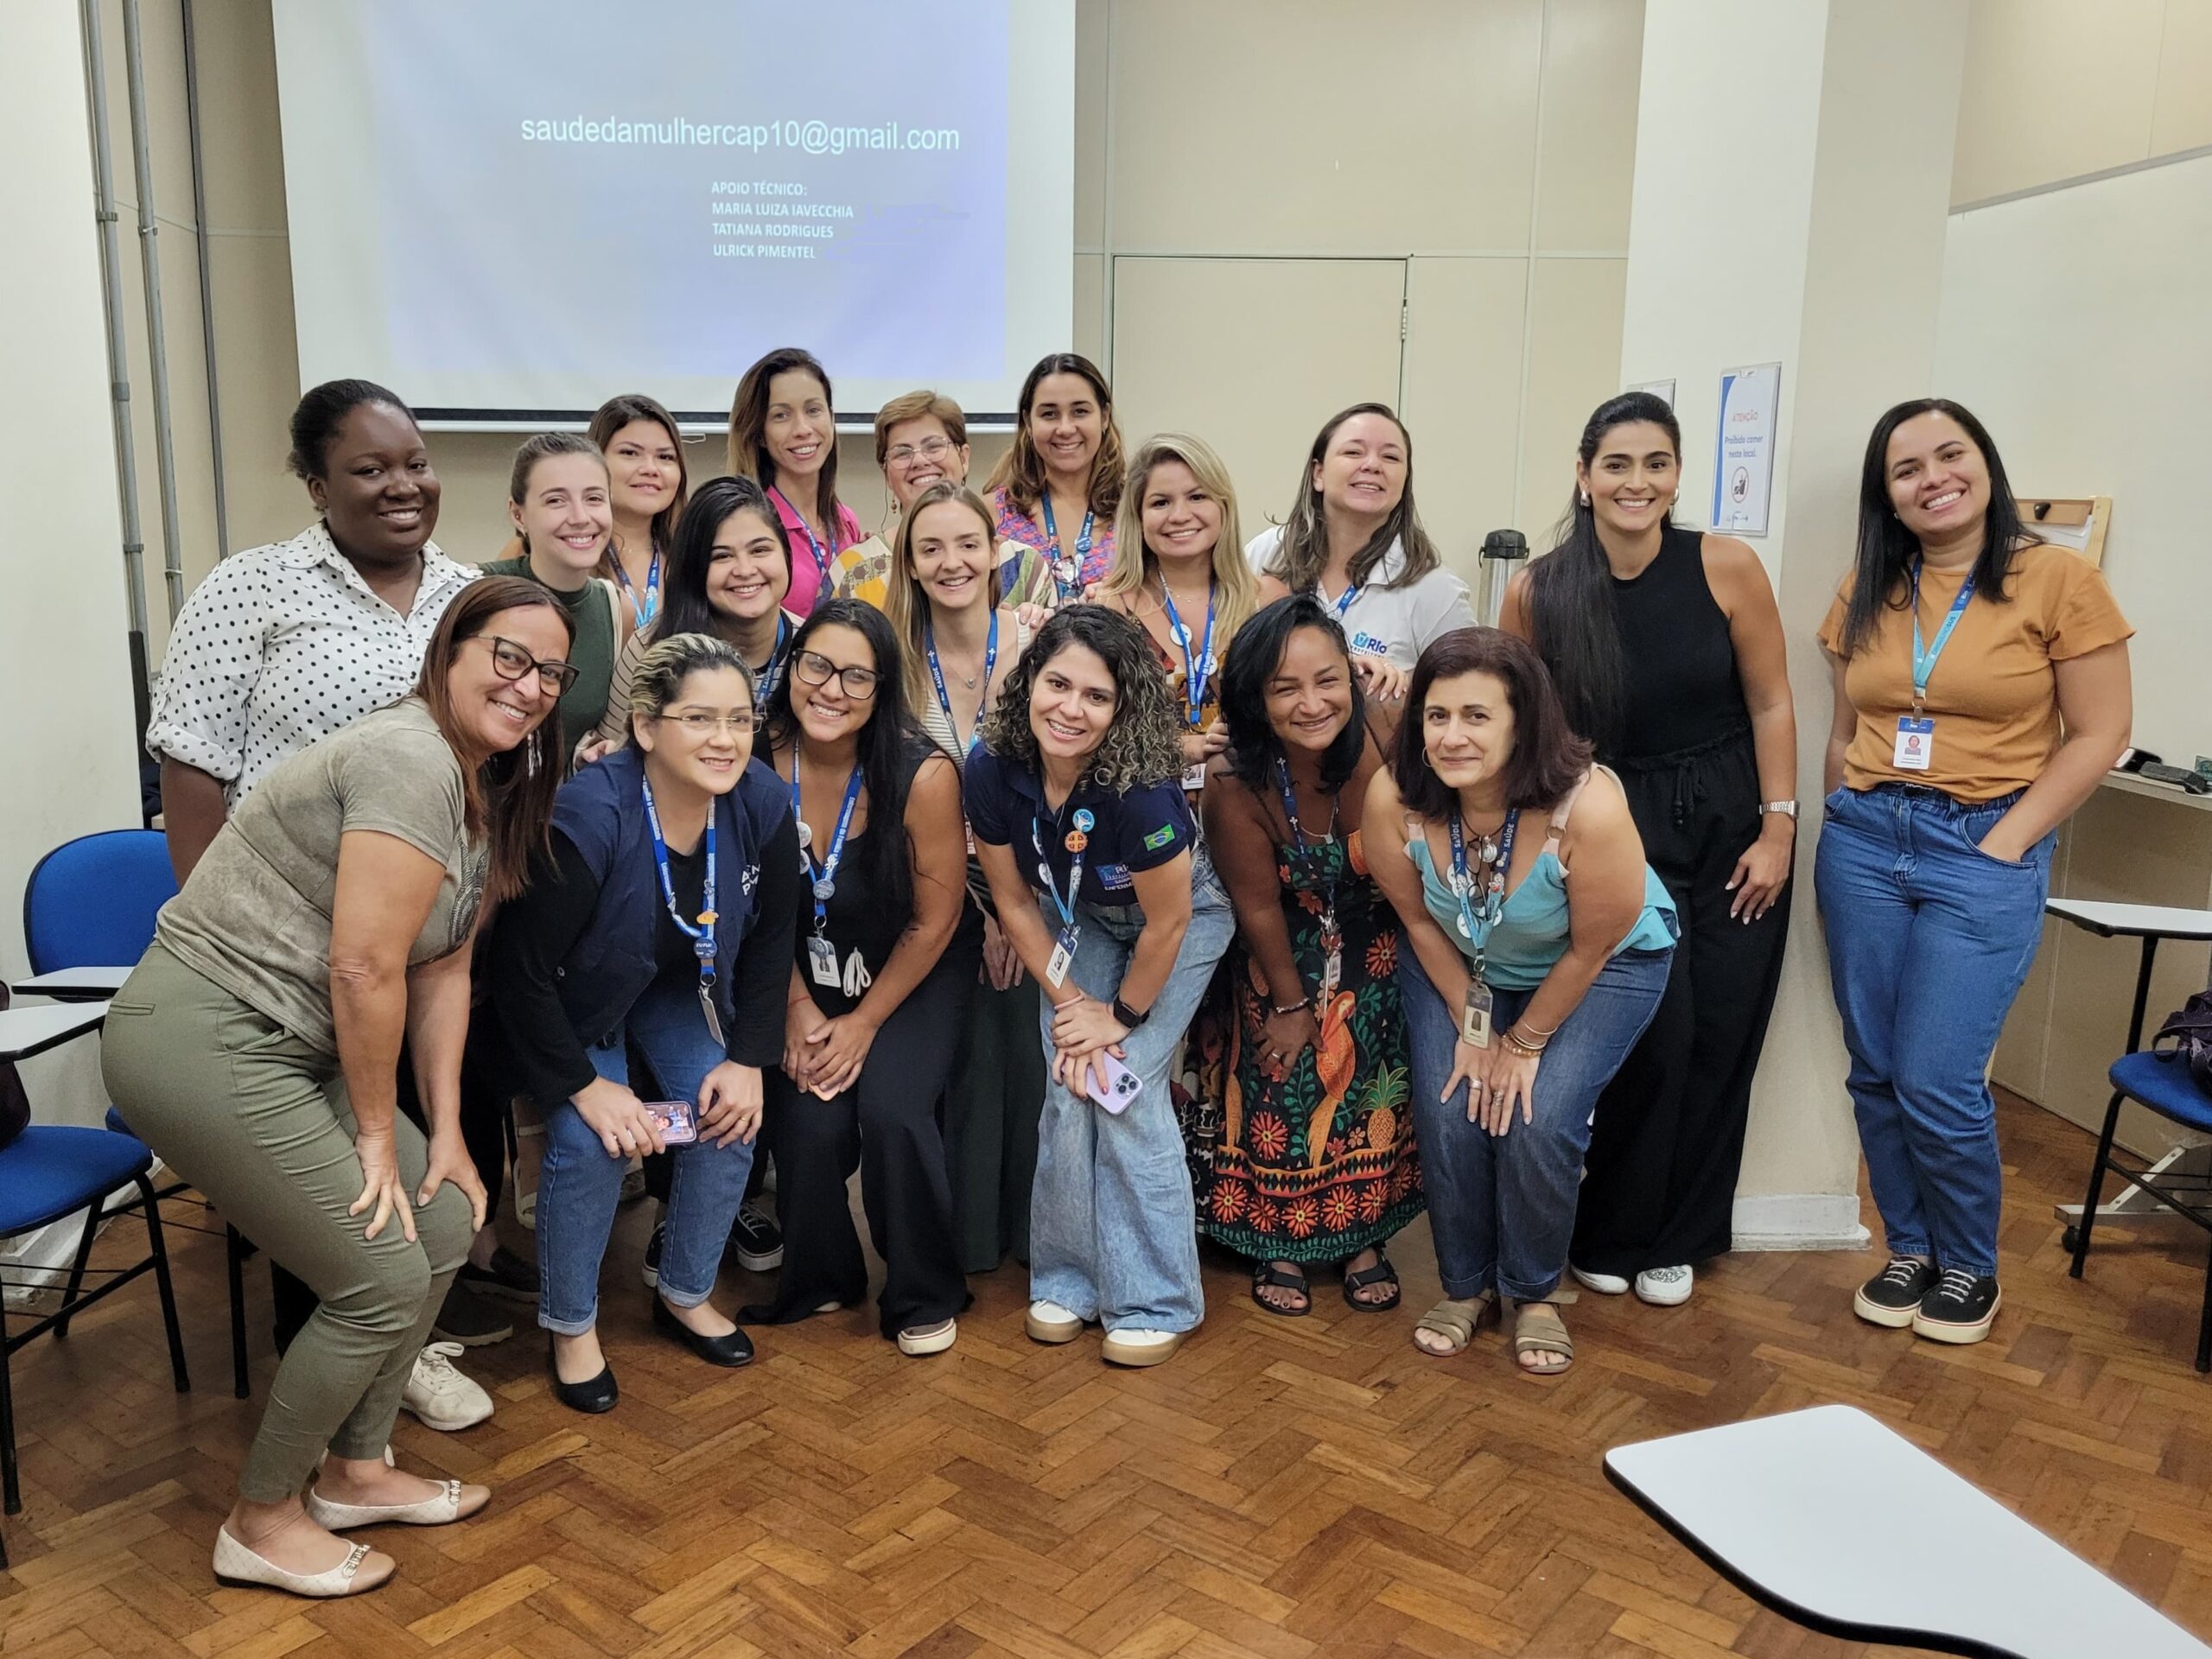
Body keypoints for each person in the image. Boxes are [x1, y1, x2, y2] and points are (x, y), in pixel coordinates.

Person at [101, 576, 572, 1597]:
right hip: (201, 1033)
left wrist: (443, 1133)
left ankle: (357, 1472)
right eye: (508, 655)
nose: (530, 685)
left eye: (550, 672)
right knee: (381, 1275)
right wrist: (373, 1132)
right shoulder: (408, 755)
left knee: (442, 1223)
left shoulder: (470, 782)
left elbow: (442, 963)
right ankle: (263, 1518)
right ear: (449, 649)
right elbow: (361, 968)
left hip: (288, 1047)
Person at [143, 377, 498, 1423]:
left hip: (420, 939)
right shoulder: (248, 590)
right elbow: (193, 771)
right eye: (370, 468)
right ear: (315, 485)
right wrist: (229, 940)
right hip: (284, 943)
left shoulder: (468, 596)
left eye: (415, 462)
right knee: (329, 1163)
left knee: (424, 1129)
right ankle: (327, 1362)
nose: (403, 486)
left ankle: (406, 1345)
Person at [1817, 398, 2132, 1346]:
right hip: (1865, 843)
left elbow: (2103, 733)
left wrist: (2009, 839)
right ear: (1888, 497)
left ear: (1984, 465)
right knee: (1873, 1068)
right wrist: (1842, 802)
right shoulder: (1871, 585)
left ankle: (1968, 1267)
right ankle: (1906, 1248)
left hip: (1980, 846)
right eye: (1905, 469)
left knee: (1937, 1076)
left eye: (1948, 455)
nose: (1930, 478)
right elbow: (1847, 723)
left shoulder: (2058, 581)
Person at [1502, 391, 1796, 1308]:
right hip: (1610, 830)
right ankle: (1613, 1230)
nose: (1637, 482)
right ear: (1583, 477)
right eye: (1617, 465)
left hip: (1730, 828)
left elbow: (1771, 703)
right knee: (1647, 1038)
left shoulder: (1725, 565)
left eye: (1655, 464)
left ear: (1676, 476)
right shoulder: (1539, 587)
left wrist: (1780, 825)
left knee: (1721, 1031)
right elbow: (1522, 724)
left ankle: (1683, 1236)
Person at [487, 633, 798, 1409]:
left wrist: (750, 1056)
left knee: (729, 1115)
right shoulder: (588, 817)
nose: (724, 741)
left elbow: (771, 940)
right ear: (647, 726)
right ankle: (571, 1324)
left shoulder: (760, 799)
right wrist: (585, 1086)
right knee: (593, 1141)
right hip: (573, 995)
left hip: (673, 981)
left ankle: (685, 1291)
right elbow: (519, 973)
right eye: (699, 719)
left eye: (740, 720)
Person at [1365, 629, 1677, 1376]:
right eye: (1435, 716)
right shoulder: (1394, 797)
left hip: (1605, 964)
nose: (1451, 736)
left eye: (1477, 716)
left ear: (1523, 721)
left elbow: (1590, 948)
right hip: (1462, 963)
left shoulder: (1589, 806)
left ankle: (1535, 1293)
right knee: (1450, 1106)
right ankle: (1467, 1287)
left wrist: (1524, 1043)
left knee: (1537, 1115)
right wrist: (1475, 1033)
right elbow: (1415, 919)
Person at [964, 607, 1236, 1367]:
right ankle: (1070, 1279)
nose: (1070, 709)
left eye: (1096, 696)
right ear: (1028, 684)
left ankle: (1158, 1297)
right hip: (1079, 915)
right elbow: (1016, 900)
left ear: (1121, 710)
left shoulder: (1141, 789)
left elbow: (1169, 923)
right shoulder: (990, 768)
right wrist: (1069, 1006)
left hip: (1179, 924)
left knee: (1123, 1086)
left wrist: (1117, 1018)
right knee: (1067, 1078)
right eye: (1057, 684)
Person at [578, 475, 795, 1274]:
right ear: (694, 567)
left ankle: (724, 1214)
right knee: (671, 1048)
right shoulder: (656, 646)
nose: (744, 569)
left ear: (788, 556)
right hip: (663, 889)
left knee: (735, 1062)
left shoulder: (810, 646)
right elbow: (612, 747)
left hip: (770, 882)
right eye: (721, 554)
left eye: (760, 549)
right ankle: (675, 1216)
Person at [744, 601, 974, 1353]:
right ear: (791, 664)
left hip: (909, 973)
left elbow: (933, 922)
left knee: (894, 1111)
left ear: (882, 692)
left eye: (856, 676)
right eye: (817, 664)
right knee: (807, 1120)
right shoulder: (750, 757)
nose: (831, 689)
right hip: (800, 973)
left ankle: (922, 1291)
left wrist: (865, 1022)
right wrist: (797, 1008)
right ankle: (822, 1277)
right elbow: (748, 906)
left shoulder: (923, 772)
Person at [1200, 596, 1422, 1314]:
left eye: (1327, 680)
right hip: (1281, 942)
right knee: (1282, 1068)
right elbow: (1258, 904)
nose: (1311, 703)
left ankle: (1363, 1237)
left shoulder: (1391, 730)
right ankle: (1280, 1240)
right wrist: (1292, 1004)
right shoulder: (1236, 777)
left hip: (1379, 934)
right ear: (1256, 699)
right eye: (1284, 687)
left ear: (1355, 678)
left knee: (1371, 1071)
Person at [881, 480, 1043, 1271]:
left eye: (966, 544)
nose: (951, 562)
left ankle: (1038, 1230)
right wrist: (978, 916)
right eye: (930, 548)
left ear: (995, 553)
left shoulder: (1042, 640)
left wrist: (1017, 913)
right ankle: (974, 1237)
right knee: (976, 1048)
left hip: (1040, 880)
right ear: (909, 564)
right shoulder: (894, 663)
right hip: (937, 889)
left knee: (1034, 1046)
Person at [1247, 404, 1475, 706]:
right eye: (1354, 452)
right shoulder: (1265, 553)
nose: (1372, 465)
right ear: (1318, 473)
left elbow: (1469, 692)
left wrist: (1406, 692)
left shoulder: (1435, 589)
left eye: (1391, 457)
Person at [830, 389, 1055, 611]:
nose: (919, 460)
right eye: (902, 453)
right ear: (886, 473)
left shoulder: (1023, 567)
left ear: (963, 457)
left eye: (934, 446)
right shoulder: (851, 573)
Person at [490, 395, 690, 632]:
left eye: (665, 457)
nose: (650, 469)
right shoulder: (541, 545)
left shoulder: (692, 550)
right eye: (630, 453)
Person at [480, 433, 628, 754]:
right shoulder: (477, 591)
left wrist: (592, 754)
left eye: (594, 499)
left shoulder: (614, 607)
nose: (580, 518)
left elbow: (598, 733)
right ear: (518, 515)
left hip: (564, 801)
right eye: (555, 500)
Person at [728, 346, 862, 617]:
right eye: (781, 415)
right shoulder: (748, 525)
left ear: (832, 418)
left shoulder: (847, 523)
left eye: (813, 410)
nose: (802, 429)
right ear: (760, 433)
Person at [985, 353, 1125, 604]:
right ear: (1028, 421)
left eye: (1080, 411)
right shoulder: (994, 514)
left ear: (1104, 417)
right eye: (1049, 414)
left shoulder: (1135, 509)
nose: (1065, 428)